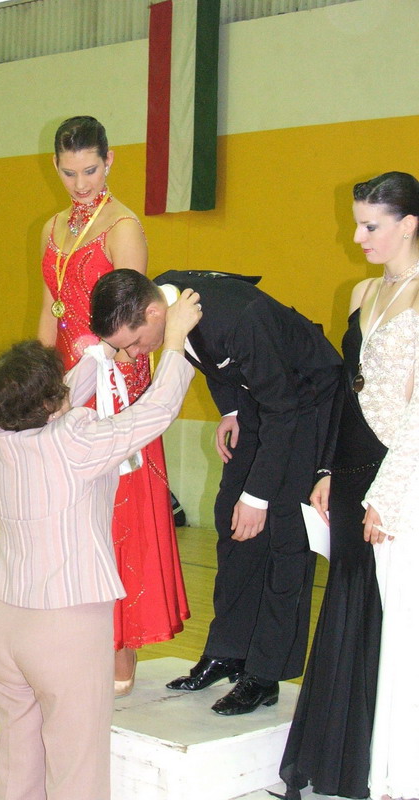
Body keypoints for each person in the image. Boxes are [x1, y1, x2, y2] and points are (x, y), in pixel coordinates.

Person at [0, 290, 200, 800]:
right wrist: (175, 342)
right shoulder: (74, 442)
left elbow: (54, 401)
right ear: (51, 402)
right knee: (77, 769)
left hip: (4, 624)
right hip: (65, 627)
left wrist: (101, 354)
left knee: (15, 761)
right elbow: (157, 411)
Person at [90, 268, 342, 715]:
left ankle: (265, 674)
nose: (133, 353)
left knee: (284, 538)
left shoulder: (240, 318)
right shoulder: (169, 296)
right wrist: (231, 411)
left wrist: (258, 497)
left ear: (154, 313)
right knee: (233, 523)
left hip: (307, 405)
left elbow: (284, 408)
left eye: (134, 341)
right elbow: (210, 356)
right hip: (260, 403)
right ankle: (228, 651)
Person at [280, 171, 419, 800]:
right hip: (352, 469)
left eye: (370, 226)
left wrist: (387, 497)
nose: (358, 237)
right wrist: (328, 470)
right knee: (347, 608)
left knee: (392, 615)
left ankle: (388, 767)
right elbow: (345, 391)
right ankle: (342, 763)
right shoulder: (364, 291)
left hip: (400, 473)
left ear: (408, 224)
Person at [39, 115, 189, 694]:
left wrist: (103, 380)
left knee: (116, 514)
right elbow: (49, 309)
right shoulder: (52, 227)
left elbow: (132, 321)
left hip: (114, 384)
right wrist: (43, 382)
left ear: (109, 161)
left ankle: (120, 649)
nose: (80, 184)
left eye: (90, 170)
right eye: (69, 172)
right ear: (56, 167)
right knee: (68, 517)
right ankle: (76, 638)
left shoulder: (123, 226)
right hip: (66, 384)